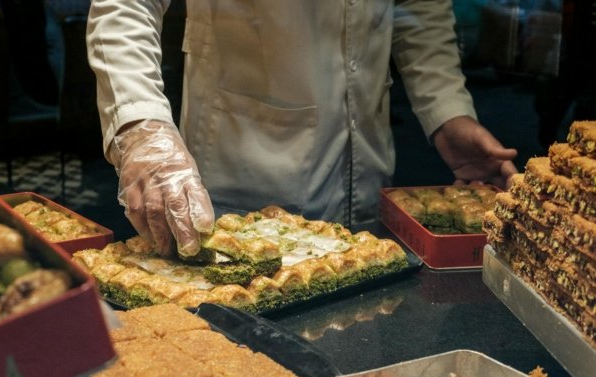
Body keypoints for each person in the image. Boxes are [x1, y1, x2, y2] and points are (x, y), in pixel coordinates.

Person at [86, 1, 518, 258]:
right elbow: (126, 6)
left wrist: (445, 111)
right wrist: (141, 126)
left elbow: (418, 8)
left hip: (367, 172)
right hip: (242, 171)